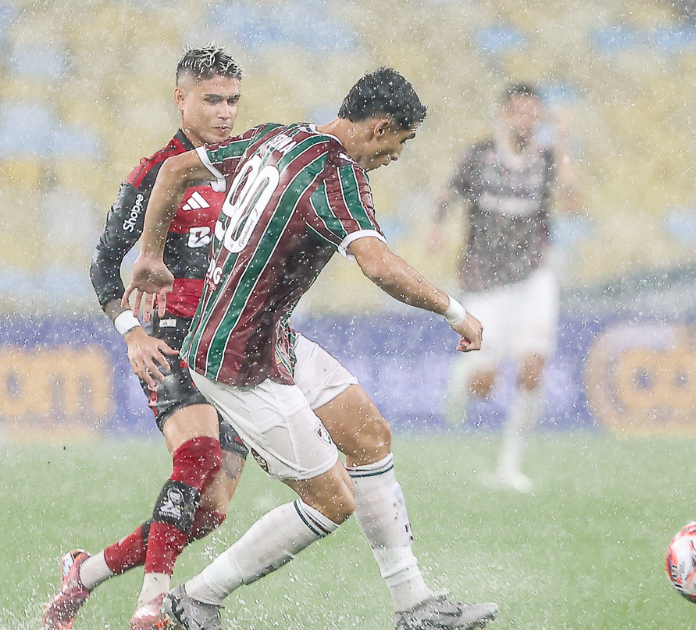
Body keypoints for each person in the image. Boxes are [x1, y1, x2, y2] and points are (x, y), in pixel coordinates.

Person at [123, 68, 499, 630]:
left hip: (267, 335)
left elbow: (175, 169)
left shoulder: (279, 136)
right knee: (333, 502)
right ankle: (196, 599)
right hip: (236, 362)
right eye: (402, 140)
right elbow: (376, 265)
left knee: (369, 435)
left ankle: (415, 605)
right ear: (380, 127)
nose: (397, 154)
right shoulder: (335, 173)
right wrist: (454, 310)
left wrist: (149, 255)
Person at [44, 46, 250, 630]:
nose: (225, 112)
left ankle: (84, 573)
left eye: (233, 100)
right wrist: (131, 333)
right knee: (198, 454)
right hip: (171, 334)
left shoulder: (242, 166)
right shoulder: (155, 171)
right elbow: (103, 264)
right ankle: (151, 607)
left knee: (210, 511)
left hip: (232, 343)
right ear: (181, 98)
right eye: (212, 99)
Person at [431, 83, 582, 493]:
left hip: (533, 275)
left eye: (532, 112)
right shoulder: (480, 157)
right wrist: (436, 229)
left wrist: (564, 140)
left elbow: (572, 202)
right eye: (517, 111)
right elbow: (447, 195)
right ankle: (464, 378)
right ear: (503, 115)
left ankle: (510, 466)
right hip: (484, 280)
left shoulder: (548, 158)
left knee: (533, 365)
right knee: (484, 386)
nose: (525, 119)